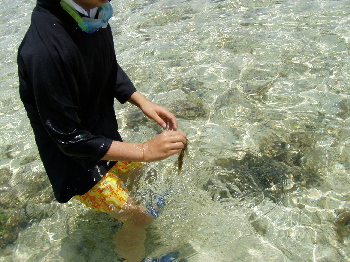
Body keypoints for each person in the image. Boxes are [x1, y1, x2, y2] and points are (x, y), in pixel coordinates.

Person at [17, 0, 187, 261]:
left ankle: (118, 219)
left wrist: (141, 100)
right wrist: (144, 150)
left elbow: (105, 65)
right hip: (76, 163)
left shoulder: (92, 16)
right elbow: (68, 139)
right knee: (139, 218)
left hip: (102, 139)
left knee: (148, 182)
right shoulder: (44, 51)